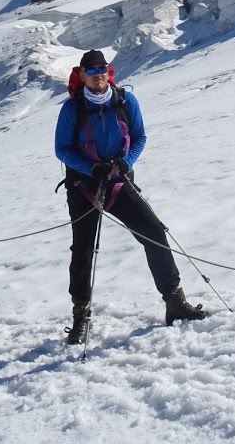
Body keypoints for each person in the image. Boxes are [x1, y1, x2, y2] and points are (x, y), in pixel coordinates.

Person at [54, 49, 209, 344]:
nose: (98, 73)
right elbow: (62, 149)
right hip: (83, 187)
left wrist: (125, 163)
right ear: (82, 75)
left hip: (116, 181)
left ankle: (174, 301)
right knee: (84, 250)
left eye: (102, 68)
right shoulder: (71, 109)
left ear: (108, 73)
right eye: (91, 69)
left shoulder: (125, 101)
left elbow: (139, 137)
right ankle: (80, 316)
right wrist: (91, 168)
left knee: (153, 232)